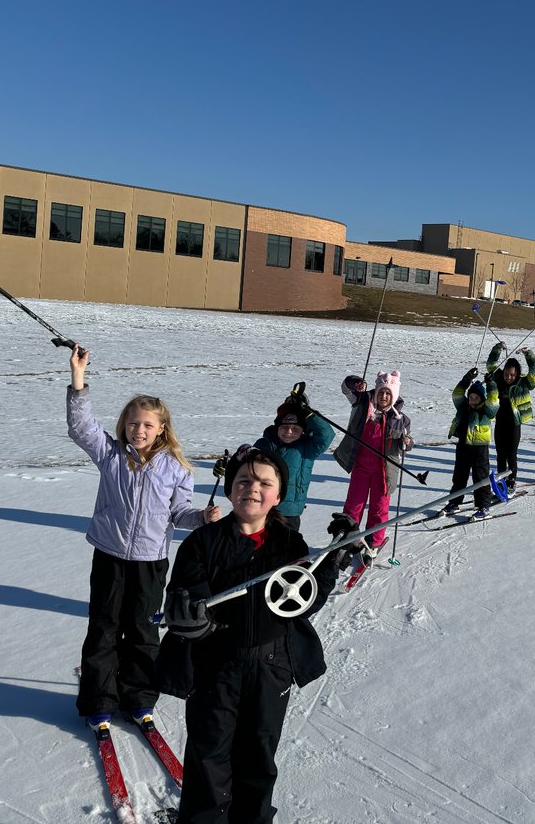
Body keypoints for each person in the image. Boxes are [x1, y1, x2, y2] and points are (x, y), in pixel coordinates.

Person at [157, 446, 347, 824]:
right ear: (231, 490)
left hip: (271, 665)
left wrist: (331, 563)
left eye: (264, 483)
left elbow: (303, 601)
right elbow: (184, 591)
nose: (253, 489)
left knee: (258, 756)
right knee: (209, 755)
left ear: (278, 495)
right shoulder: (202, 542)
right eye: (244, 481)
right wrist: (188, 615)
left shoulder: (289, 545)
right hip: (216, 667)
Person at [66, 344, 215, 731]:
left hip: (151, 561)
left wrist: (202, 517)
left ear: (162, 428)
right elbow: (81, 427)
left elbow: (180, 514)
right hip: (110, 556)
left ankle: (138, 696)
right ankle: (99, 700)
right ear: (124, 426)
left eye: (148, 425)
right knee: (103, 627)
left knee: (144, 629)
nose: (140, 430)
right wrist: (78, 377)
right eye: (134, 424)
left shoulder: (176, 469)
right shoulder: (112, 456)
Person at [333, 371, 412, 561]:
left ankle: (374, 542)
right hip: (360, 467)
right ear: (375, 392)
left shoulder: (401, 419)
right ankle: (348, 538)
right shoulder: (362, 405)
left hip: (384, 471)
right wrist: (356, 383)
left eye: (388, 394)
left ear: (393, 396)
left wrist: (407, 443)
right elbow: (346, 388)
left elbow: (407, 445)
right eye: (381, 392)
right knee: (353, 505)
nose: (384, 397)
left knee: (379, 508)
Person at [253, 387, 335, 532]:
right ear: (277, 427)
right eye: (285, 427)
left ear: (303, 430)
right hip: (265, 508)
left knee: (288, 549)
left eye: (295, 429)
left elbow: (326, 434)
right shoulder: (267, 444)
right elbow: (247, 462)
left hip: (291, 513)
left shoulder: (308, 448)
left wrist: (308, 413)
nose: (289, 432)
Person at [444, 368, 500, 515]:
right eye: (471, 397)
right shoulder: (463, 407)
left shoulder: (486, 411)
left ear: (482, 399)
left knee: (480, 477)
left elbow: (494, 402)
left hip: (480, 448)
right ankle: (454, 502)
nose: (473, 400)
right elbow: (456, 394)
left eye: (477, 398)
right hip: (463, 445)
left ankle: (483, 505)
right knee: (459, 476)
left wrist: (491, 384)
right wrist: (467, 379)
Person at [486, 341, 535, 494]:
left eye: (512, 375)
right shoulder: (498, 378)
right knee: (500, 454)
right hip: (500, 422)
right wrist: (497, 348)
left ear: (517, 374)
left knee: (511, 454)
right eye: (506, 374)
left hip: (514, 423)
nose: (509, 377)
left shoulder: (523, 383)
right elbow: (491, 363)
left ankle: (512, 481)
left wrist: (529, 354)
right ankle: (501, 480)